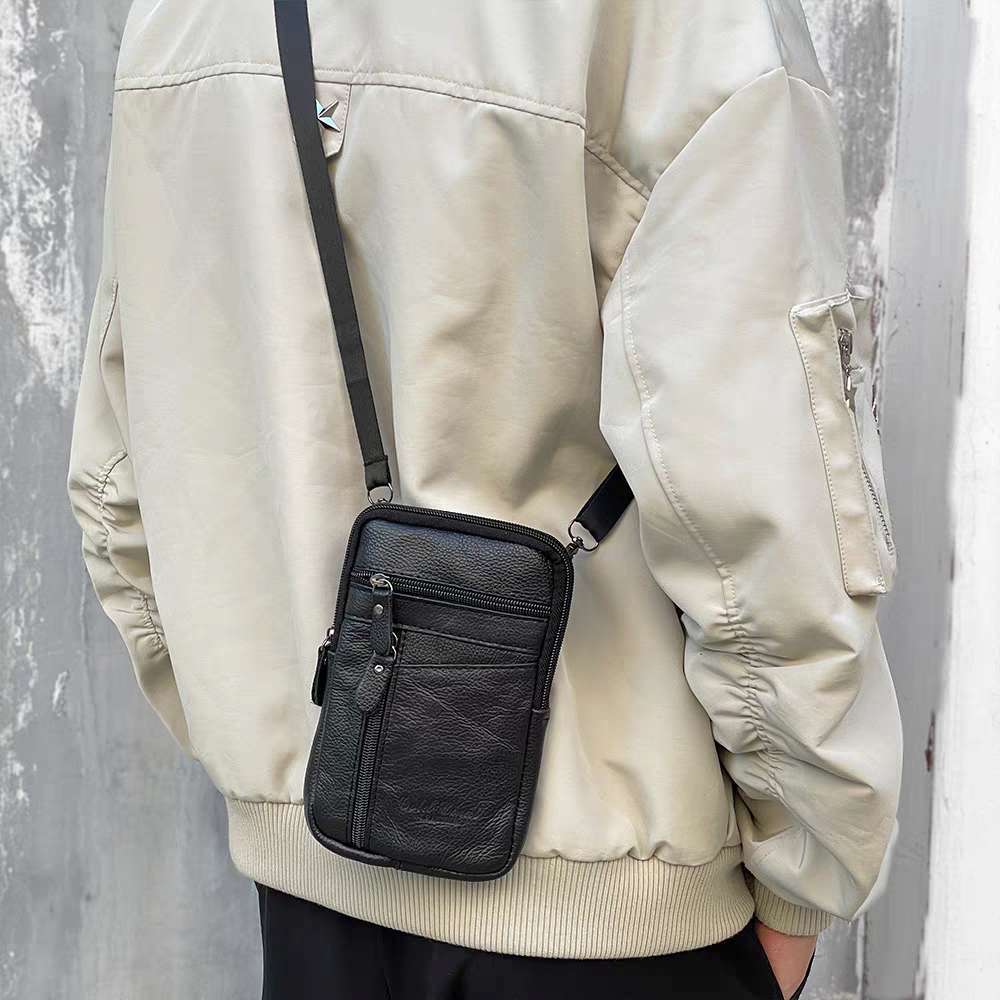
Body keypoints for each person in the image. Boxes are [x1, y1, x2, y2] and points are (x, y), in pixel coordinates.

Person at [67, 1, 903, 998]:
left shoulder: (184, 16)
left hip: (312, 881)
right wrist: (808, 876)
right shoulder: (685, 25)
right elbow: (760, 500)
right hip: (612, 919)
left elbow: (121, 473)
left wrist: (279, 760)